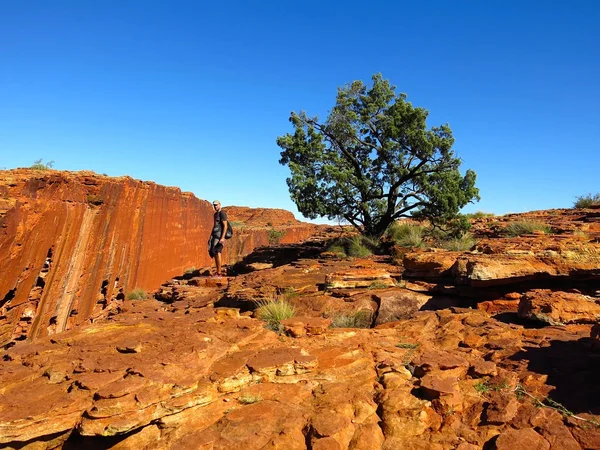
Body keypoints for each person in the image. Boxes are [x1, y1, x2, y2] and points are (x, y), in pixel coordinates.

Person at [208, 200, 228, 276]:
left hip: (219, 236)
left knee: (218, 252)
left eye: (216, 205)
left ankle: (219, 273)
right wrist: (211, 236)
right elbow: (215, 225)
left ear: (220, 205)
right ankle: (217, 271)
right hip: (215, 235)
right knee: (214, 252)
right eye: (214, 205)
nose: (215, 206)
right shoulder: (215, 214)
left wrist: (222, 238)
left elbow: (225, 226)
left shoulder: (222, 213)